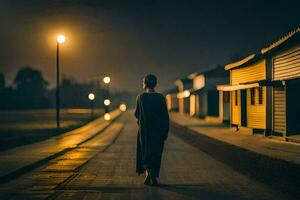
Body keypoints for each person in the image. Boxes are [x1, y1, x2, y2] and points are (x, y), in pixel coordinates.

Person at [134, 74, 169, 186]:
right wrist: (165, 132)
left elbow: (137, 115)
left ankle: (149, 176)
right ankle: (152, 176)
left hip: (145, 132)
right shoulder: (161, 98)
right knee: (156, 153)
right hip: (158, 132)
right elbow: (165, 116)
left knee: (146, 153)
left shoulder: (141, 97)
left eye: (143, 81)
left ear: (146, 83)